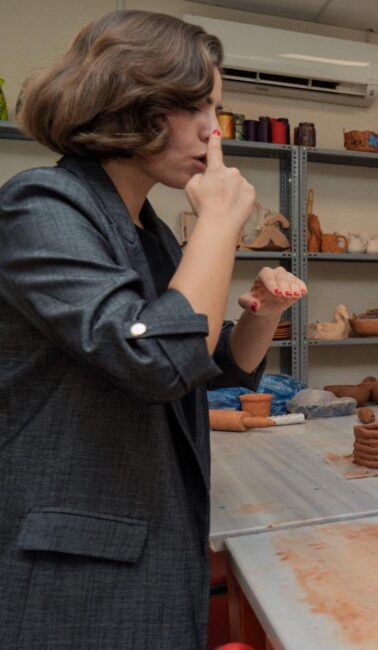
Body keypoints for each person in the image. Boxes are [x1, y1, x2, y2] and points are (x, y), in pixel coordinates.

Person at [0, 11, 307, 646]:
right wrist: (219, 224)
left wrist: (264, 316)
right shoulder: (40, 205)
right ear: (128, 101)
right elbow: (159, 362)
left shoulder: (151, 231)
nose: (212, 130)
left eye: (214, 108)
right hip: (76, 572)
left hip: (153, 534)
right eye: (194, 106)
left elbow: (205, 366)